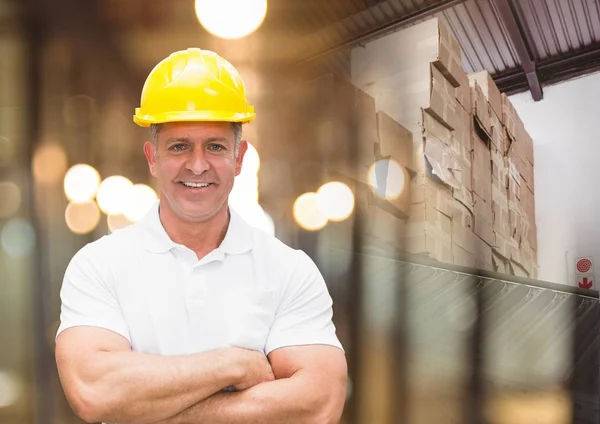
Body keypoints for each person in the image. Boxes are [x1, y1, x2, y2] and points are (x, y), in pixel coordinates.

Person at [55, 48, 347, 424]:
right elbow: (94, 391)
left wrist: (150, 410)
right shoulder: (98, 266)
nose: (197, 164)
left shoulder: (289, 270)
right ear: (152, 158)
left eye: (215, 146)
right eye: (179, 146)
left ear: (240, 158)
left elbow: (318, 405)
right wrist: (234, 364)